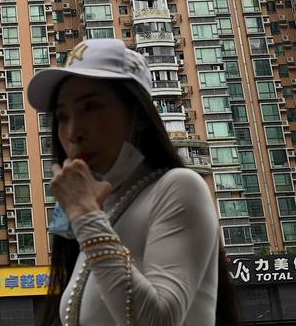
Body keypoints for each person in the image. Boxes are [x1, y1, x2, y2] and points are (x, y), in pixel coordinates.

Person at [27, 39, 239, 326]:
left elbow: (159, 320)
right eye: (63, 117)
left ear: (138, 116)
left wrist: (87, 217)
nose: (73, 131)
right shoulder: (105, 209)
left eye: (90, 107)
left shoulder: (179, 187)